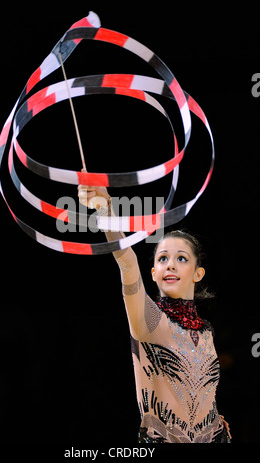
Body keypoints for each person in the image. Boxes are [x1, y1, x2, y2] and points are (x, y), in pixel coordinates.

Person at [78, 181, 231, 443]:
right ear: (153, 273)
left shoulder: (206, 331)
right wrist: (105, 209)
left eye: (181, 258)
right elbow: (126, 262)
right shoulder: (149, 318)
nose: (170, 265)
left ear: (198, 273)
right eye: (162, 258)